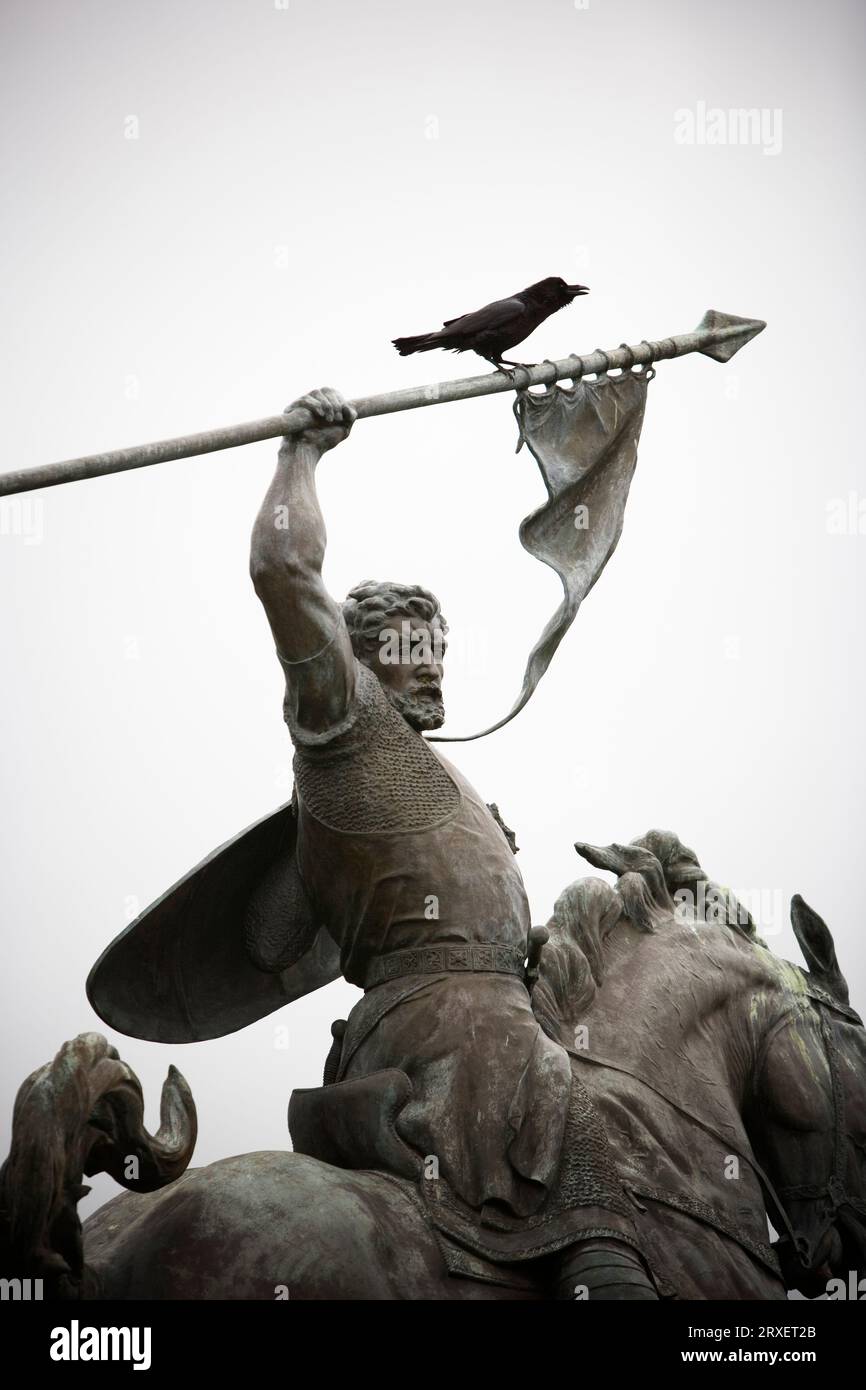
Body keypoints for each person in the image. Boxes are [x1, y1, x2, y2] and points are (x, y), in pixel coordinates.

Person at [249, 387, 656, 1297]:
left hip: (487, 1008)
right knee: (599, 1207)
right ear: (356, 660)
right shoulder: (343, 730)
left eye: (437, 643)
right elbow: (284, 573)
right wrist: (301, 456)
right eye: (405, 643)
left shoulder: (450, 781)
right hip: (451, 1029)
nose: (432, 660)